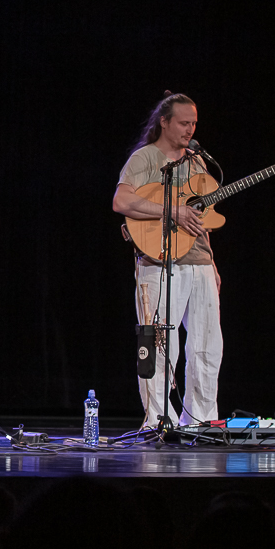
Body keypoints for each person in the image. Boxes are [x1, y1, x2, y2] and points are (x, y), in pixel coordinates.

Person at [112, 92, 222, 427]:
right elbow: (121, 201)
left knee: (207, 346)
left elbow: (201, 219)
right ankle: (160, 420)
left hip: (199, 262)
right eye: (184, 123)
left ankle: (201, 421)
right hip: (158, 263)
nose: (190, 130)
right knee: (160, 345)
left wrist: (213, 263)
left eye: (194, 124)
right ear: (164, 122)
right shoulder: (145, 158)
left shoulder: (197, 162)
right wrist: (171, 210)